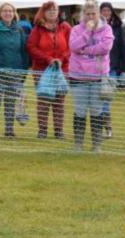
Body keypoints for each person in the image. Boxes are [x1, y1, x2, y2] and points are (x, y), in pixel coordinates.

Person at [69, 0, 113, 152]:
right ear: (83, 15)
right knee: (79, 111)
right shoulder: (76, 29)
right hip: (78, 77)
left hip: (98, 77)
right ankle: (78, 144)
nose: (90, 17)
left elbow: (105, 47)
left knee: (97, 110)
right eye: (87, 14)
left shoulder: (106, 29)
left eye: (93, 13)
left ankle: (96, 145)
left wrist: (85, 50)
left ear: (98, 13)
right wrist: (87, 32)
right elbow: (73, 47)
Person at [0, 2, 29, 138]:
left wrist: (23, 72)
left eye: (10, 11)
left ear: (14, 13)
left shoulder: (19, 30)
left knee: (10, 103)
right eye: (5, 11)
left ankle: (9, 130)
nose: (8, 13)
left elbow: (23, 52)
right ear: (0, 13)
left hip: (15, 72)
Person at [27, 1, 71, 139]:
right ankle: (42, 130)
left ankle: (59, 131)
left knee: (59, 101)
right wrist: (48, 59)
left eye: (55, 9)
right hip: (41, 70)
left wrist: (61, 59)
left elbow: (71, 47)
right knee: (43, 100)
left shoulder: (65, 27)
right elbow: (31, 47)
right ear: (44, 12)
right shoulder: (37, 29)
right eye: (49, 10)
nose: (52, 12)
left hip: (61, 70)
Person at [100, 2, 125, 138]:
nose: (105, 13)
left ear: (111, 12)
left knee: (106, 101)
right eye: (103, 10)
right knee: (95, 102)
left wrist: (124, 71)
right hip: (95, 70)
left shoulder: (118, 28)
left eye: (108, 10)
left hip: (111, 70)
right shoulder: (94, 27)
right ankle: (98, 129)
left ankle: (108, 129)